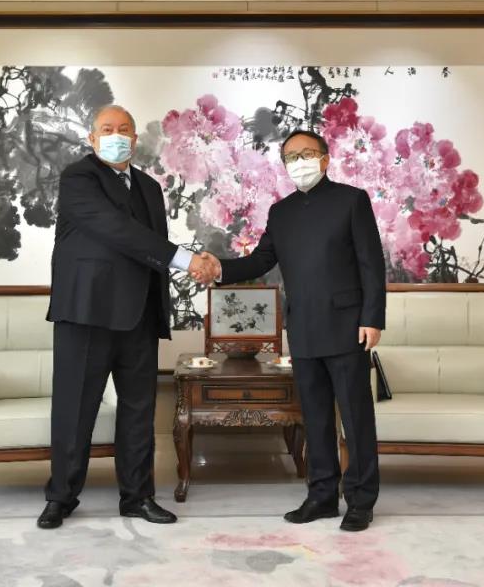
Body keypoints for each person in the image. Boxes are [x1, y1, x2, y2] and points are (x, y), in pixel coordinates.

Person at [195, 130, 385, 532]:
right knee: (314, 418)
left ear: (325, 158)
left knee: (356, 418)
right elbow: (260, 260)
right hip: (303, 328)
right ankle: (321, 496)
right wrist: (220, 268)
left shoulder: (352, 200)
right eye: (291, 157)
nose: (299, 162)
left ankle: (361, 500)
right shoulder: (281, 212)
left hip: (348, 327)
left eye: (307, 154)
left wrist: (373, 318)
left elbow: (371, 263)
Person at [40, 104, 211, 530]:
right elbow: (116, 229)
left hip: (139, 315)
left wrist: (172, 280)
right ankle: (61, 496)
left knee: (139, 411)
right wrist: (186, 260)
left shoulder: (150, 187)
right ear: (92, 138)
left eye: (124, 129)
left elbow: (150, 248)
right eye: (107, 129)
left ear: (134, 139)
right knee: (74, 409)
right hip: (87, 314)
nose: (116, 136)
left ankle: (138, 497)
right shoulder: (79, 178)